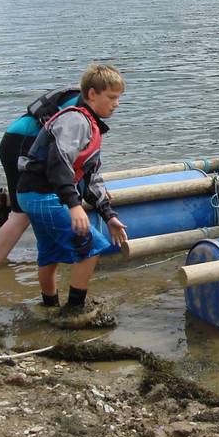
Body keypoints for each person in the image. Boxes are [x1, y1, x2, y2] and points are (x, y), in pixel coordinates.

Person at [15, 63, 129, 323]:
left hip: (34, 195)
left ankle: (48, 308)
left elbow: (90, 178)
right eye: (111, 97)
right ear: (91, 94)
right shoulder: (75, 120)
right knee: (92, 247)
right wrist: (74, 205)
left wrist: (108, 214)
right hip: (42, 195)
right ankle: (75, 311)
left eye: (119, 98)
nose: (117, 104)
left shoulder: (91, 125)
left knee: (49, 254)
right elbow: (58, 163)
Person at [0, 86, 80, 266]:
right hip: (21, 142)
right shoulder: (79, 105)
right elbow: (68, 152)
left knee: (23, 205)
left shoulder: (80, 97)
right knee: (21, 213)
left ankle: (4, 201)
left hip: (15, 138)